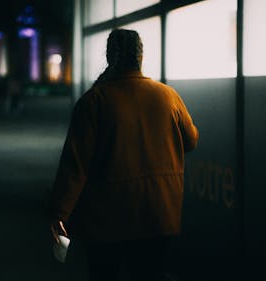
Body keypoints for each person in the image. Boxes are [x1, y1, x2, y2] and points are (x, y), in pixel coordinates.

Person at [48, 29, 199, 281]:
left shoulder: (94, 101)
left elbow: (75, 166)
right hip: (159, 214)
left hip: (109, 220)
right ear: (141, 56)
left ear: (110, 57)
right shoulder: (168, 96)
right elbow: (191, 140)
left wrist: (59, 212)